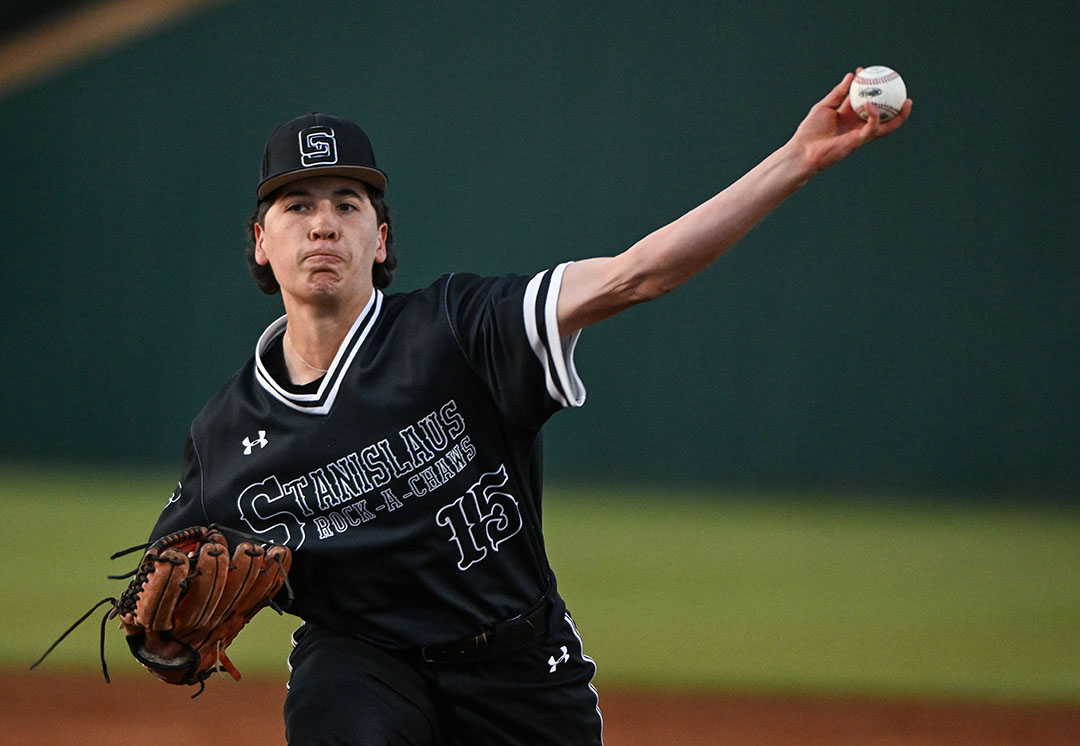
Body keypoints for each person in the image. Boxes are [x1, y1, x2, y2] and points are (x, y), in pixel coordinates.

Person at [144, 72, 910, 744]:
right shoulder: (227, 433)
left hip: (517, 664)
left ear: (381, 239)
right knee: (332, 712)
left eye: (348, 203)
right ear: (259, 242)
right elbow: (161, 605)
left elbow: (635, 275)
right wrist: (168, 647)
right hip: (362, 666)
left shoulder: (459, 328)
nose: (322, 223)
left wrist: (796, 160)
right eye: (296, 205)